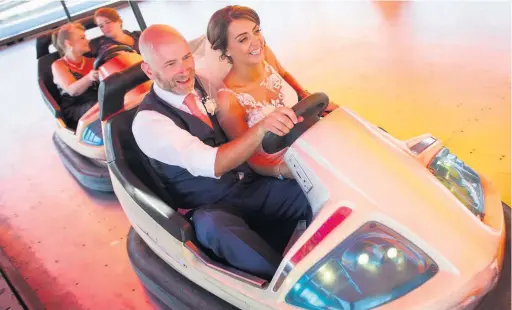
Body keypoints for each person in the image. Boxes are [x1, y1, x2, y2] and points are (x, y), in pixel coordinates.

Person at [132, 24, 312, 280]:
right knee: (218, 230)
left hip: (251, 185)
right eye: (171, 64)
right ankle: (289, 286)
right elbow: (212, 164)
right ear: (149, 70)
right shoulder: (149, 123)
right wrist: (262, 128)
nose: (184, 70)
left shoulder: (203, 82)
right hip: (211, 207)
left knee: (314, 189)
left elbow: (247, 76)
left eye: (186, 57)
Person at [207, 5, 338, 179]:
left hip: (312, 136)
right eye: (243, 39)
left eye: (256, 31)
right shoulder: (228, 100)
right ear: (226, 50)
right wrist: (286, 171)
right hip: (286, 162)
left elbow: (284, 75)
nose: (256, 42)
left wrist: (308, 97)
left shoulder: (265, 55)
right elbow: (251, 159)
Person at [51, 23, 100, 131]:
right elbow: (72, 91)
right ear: (69, 43)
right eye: (82, 38)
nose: (87, 40)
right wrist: (89, 77)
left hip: (96, 100)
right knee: (103, 105)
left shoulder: (92, 61)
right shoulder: (59, 65)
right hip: (75, 106)